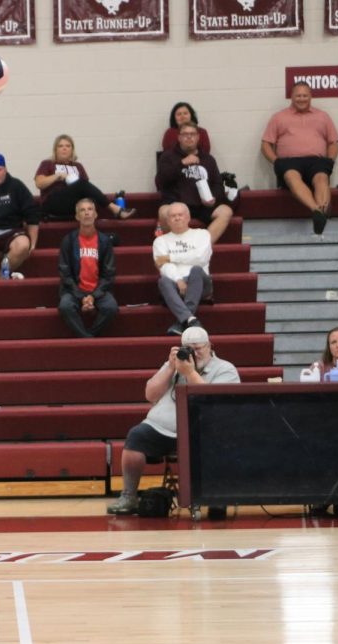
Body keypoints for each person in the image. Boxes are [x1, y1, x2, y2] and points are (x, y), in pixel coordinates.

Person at [106, 327, 240, 515]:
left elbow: (212, 402)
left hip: (204, 432)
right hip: (163, 427)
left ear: (210, 346)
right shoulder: (175, 364)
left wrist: (190, 373)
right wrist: (170, 368)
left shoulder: (225, 369)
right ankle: (129, 496)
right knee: (136, 436)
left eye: (198, 348)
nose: (194, 353)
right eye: (188, 348)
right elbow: (150, 394)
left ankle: (213, 495)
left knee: (219, 443)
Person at [261, 81, 338, 235]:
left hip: (317, 161)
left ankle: (320, 214)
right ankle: (317, 212)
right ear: (291, 97)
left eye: (305, 95)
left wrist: (330, 160)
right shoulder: (279, 117)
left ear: (311, 96)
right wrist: (276, 161)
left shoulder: (323, 116)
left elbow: (333, 143)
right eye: (298, 95)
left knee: (321, 178)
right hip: (289, 162)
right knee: (292, 177)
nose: (301, 98)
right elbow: (265, 145)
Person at [156, 124, 233, 243]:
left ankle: (202, 247)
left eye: (192, 134)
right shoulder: (167, 157)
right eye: (185, 134)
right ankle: (174, 246)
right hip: (176, 203)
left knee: (226, 211)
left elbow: (218, 184)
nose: (189, 137)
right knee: (163, 211)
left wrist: (213, 198)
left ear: (198, 137)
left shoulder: (208, 159)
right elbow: (161, 180)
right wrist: (182, 163)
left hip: (202, 205)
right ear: (179, 138)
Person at [35, 136, 135, 222]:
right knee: (81, 184)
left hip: (74, 203)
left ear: (72, 150)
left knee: (90, 198)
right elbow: (39, 183)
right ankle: (115, 209)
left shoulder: (78, 166)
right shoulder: (47, 164)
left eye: (67, 146)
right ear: (55, 150)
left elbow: (87, 188)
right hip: (53, 202)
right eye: (60, 146)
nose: (64, 148)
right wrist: (58, 176)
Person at [58, 198, 119, 338]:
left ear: (96, 214)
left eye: (90, 209)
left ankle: (89, 336)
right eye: (82, 210)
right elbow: (64, 273)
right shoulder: (68, 240)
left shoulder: (104, 241)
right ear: (77, 216)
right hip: (73, 290)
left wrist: (93, 296)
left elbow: (109, 274)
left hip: (99, 291)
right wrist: (81, 296)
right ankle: (88, 339)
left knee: (111, 307)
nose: (87, 213)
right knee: (65, 306)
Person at [154, 203, 213, 336]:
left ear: (188, 217)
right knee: (163, 281)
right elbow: (164, 266)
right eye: (173, 216)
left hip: (200, 282)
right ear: (168, 221)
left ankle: (183, 320)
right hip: (176, 284)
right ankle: (190, 320)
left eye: (180, 215)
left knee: (196, 269)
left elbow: (200, 258)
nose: (177, 218)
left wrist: (170, 257)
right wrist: (178, 279)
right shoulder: (160, 241)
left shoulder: (202, 235)